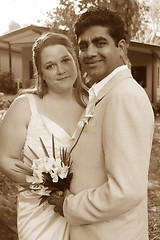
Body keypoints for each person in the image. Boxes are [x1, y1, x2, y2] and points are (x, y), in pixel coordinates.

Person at [51, 6, 155, 240]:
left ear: (121, 47)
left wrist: (69, 206)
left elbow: (125, 191)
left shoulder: (124, 96)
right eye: (83, 45)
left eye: (100, 43)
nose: (89, 53)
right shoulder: (103, 94)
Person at [0, 32, 88, 240]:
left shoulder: (93, 103)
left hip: (86, 211)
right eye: (50, 66)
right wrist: (43, 186)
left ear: (75, 59)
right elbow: (4, 157)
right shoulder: (25, 106)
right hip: (40, 216)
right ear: (41, 72)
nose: (61, 70)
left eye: (65, 60)